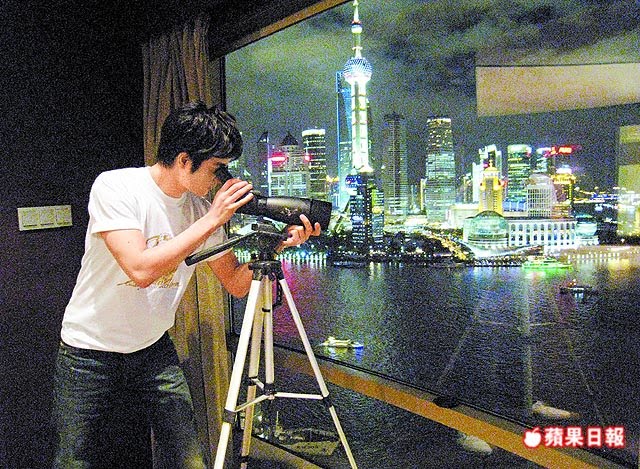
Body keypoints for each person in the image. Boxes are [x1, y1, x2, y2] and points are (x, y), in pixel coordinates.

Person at [53, 101, 321, 468]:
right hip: (88, 351)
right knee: (74, 461)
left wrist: (278, 245)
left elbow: (236, 283)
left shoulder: (199, 210)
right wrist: (213, 219)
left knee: (189, 459)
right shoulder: (116, 186)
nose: (220, 178)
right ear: (184, 160)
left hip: (152, 348)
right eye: (216, 167)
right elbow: (140, 270)